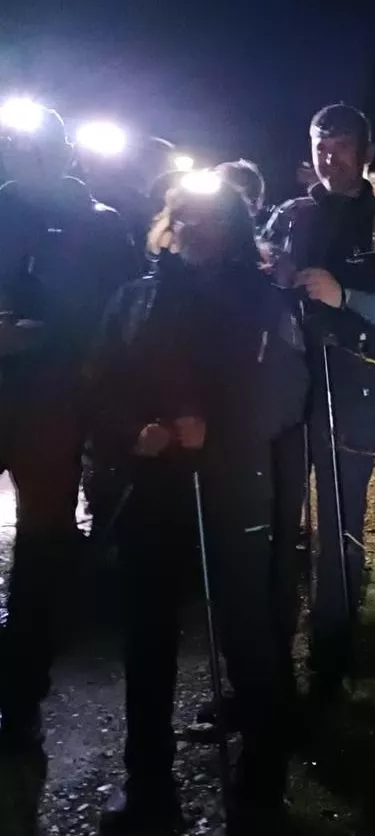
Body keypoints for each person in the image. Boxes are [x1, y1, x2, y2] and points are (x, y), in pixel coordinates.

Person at [89, 175, 308, 834]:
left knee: (247, 636)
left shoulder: (263, 301)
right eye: (182, 216)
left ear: (234, 228)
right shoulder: (135, 298)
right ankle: (149, 789)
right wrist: (134, 431)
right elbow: (100, 383)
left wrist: (220, 430)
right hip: (152, 490)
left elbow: (286, 391)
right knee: (147, 641)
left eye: (208, 218)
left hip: (232, 483)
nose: (193, 228)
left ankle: (261, 791)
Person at [260, 103, 375, 709]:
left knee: (338, 521)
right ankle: (266, 666)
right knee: (276, 524)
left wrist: (343, 294)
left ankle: (331, 652)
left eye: (340, 145)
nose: (327, 156)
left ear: (366, 151)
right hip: (285, 382)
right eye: (318, 145)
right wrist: (271, 277)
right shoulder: (288, 216)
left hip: (353, 384)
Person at [0, 101, 138, 752]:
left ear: (63, 153)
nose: (19, 156)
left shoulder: (99, 226)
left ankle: (21, 683)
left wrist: (49, 340)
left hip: (52, 399)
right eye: (9, 145)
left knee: (41, 538)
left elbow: (121, 315)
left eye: (31, 147)